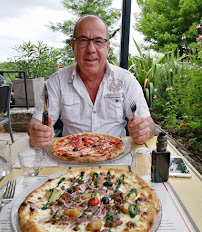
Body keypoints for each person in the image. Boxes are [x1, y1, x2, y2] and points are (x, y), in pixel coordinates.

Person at [28, 14, 156, 149]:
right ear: (73, 45)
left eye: (98, 41)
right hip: (71, 158)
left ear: (107, 47)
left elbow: (150, 125)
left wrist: (145, 130)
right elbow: (35, 124)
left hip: (116, 160)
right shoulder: (56, 81)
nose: (91, 49)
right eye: (83, 40)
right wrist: (36, 132)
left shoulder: (126, 80)